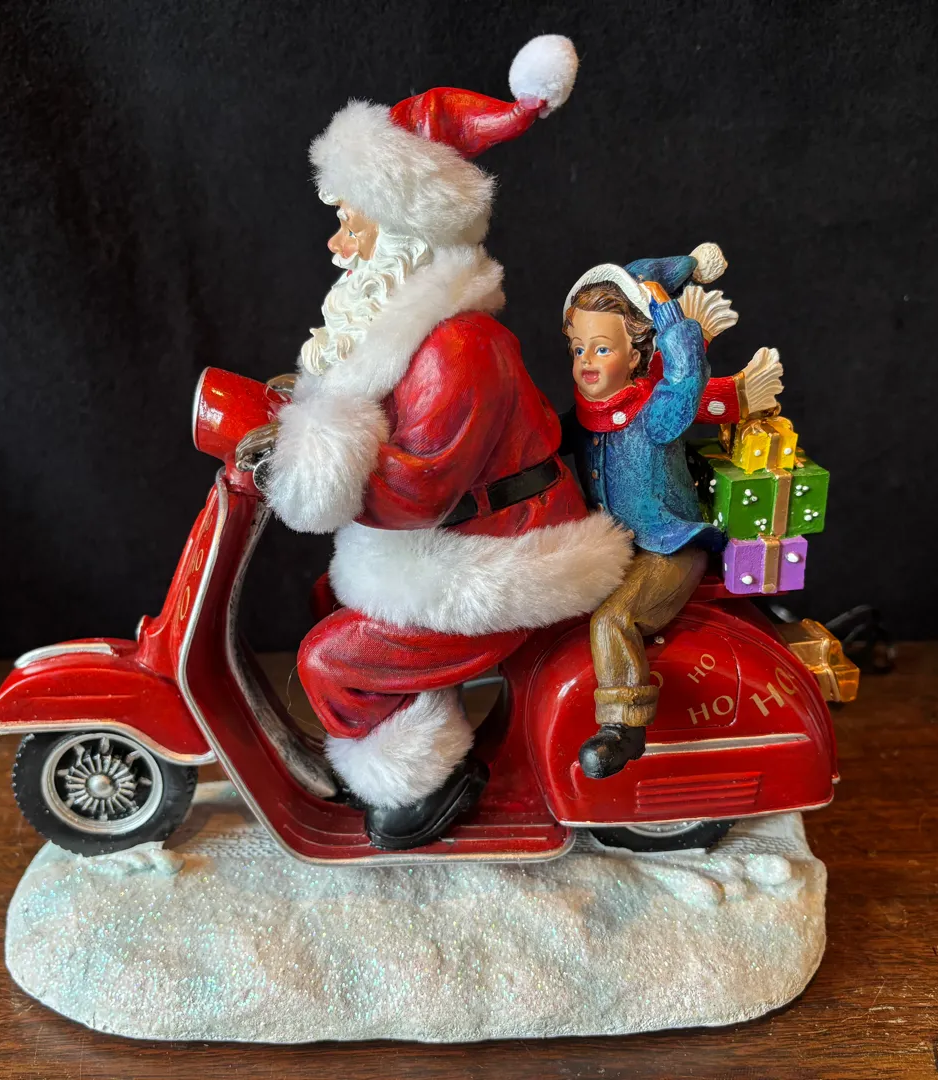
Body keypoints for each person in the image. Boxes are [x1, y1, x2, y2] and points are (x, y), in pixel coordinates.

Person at [236, 37, 634, 850]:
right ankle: (432, 723)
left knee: (329, 661)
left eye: (350, 223)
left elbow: (414, 491)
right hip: (471, 529)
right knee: (328, 600)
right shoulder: (407, 337)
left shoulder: (455, 350)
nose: (338, 246)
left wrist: (307, 460)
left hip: (505, 550)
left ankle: (426, 783)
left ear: (404, 232)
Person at [561, 256, 782, 779]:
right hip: (613, 543)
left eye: (602, 349)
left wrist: (667, 312)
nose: (587, 361)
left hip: (668, 546)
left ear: (637, 355)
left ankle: (623, 725)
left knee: (613, 619)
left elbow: (685, 380)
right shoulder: (586, 417)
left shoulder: (654, 413)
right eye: (578, 348)